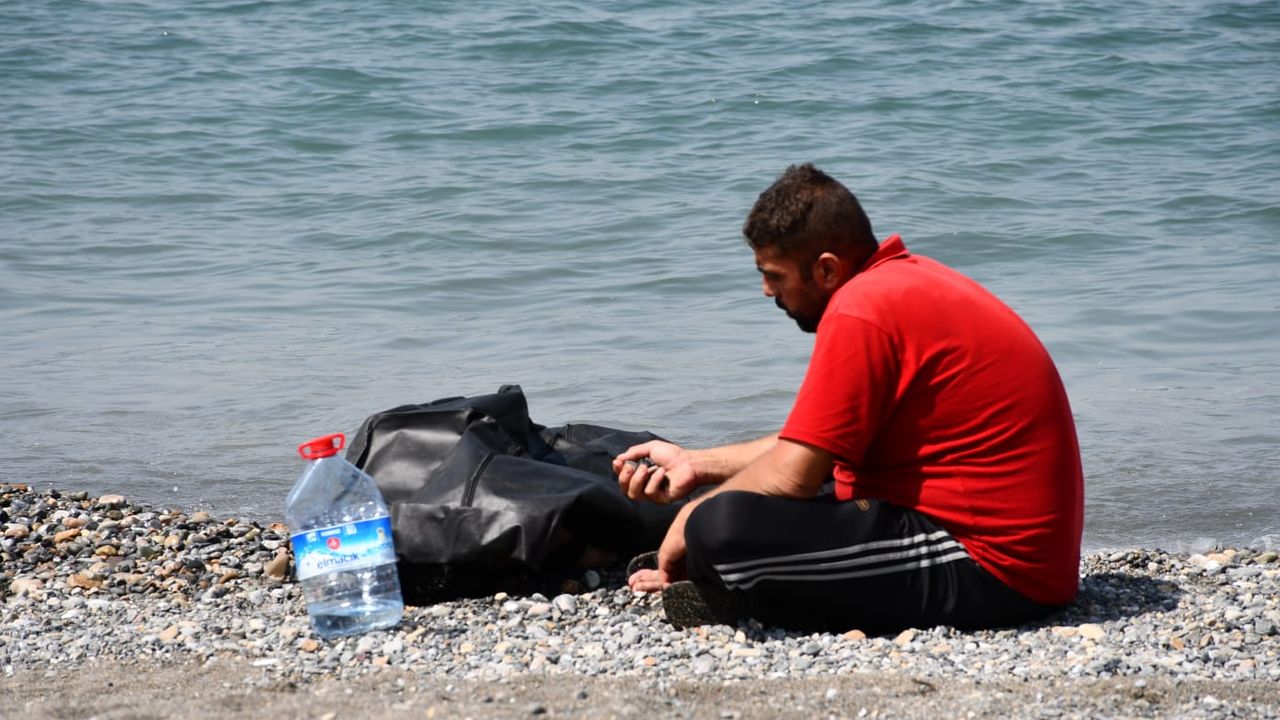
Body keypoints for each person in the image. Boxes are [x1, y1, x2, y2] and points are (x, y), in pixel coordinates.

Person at [612, 164, 1083, 634]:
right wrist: (698, 465)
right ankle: (735, 578)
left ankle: (737, 591)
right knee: (762, 500)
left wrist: (691, 517)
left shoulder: (861, 310)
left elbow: (793, 475)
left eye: (773, 275)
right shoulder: (898, 283)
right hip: (1006, 550)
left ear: (826, 269)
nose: (766, 291)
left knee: (718, 526)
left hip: (994, 568)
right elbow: (814, 445)